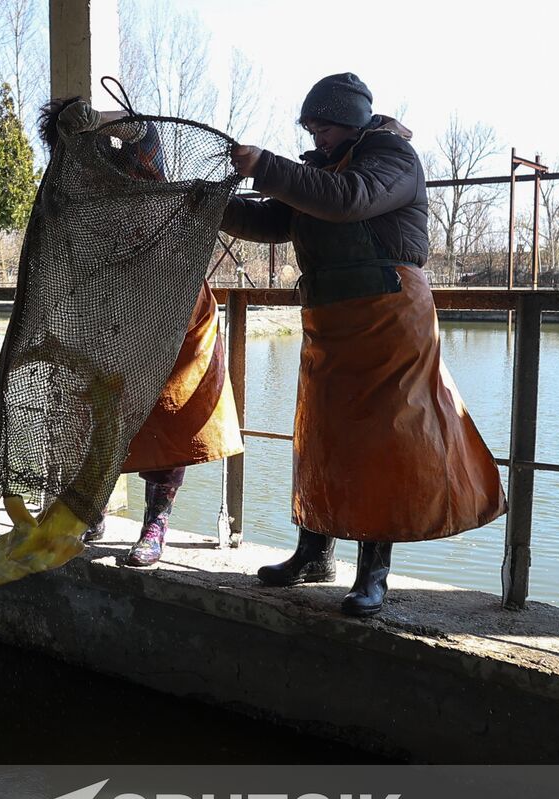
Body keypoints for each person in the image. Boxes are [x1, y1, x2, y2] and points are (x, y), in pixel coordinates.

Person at [223, 72, 505, 616]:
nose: (316, 135)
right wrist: (213, 205)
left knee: (385, 442)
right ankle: (313, 552)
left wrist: (265, 166)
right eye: (309, 127)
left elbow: (350, 200)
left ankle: (372, 574)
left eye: (323, 126)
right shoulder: (314, 172)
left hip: (391, 317)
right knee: (321, 435)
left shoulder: (392, 159)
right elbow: (271, 219)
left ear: (351, 121)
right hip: (329, 318)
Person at [44, 99, 245, 569]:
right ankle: (89, 508)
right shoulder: (69, 185)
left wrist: (98, 119)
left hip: (174, 308)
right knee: (96, 412)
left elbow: (144, 131)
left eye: (85, 140)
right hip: (112, 313)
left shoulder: (138, 165)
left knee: (166, 413)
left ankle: (156, 523)